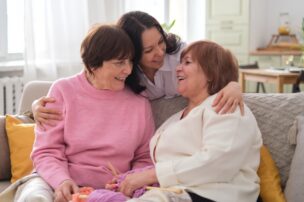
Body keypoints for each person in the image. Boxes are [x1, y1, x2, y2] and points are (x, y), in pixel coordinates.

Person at [11, 24, 154, 202]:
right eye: (119, 63)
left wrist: (129, 183)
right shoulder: (63, 91)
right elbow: (46, 151)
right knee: (34, 198)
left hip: (114, 191)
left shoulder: (139, 102)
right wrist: (62, 181)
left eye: (130, 61)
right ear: (93, 64)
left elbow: (145, 157)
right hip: (57, 181)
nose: (128, 70)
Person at [107, 41, 262, 202]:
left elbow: (218, 163)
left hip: (220, 194)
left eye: (187, 62)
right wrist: (131, 178)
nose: (178, 68)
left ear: (211, 73)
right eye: (180, 62)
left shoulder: (226, 105)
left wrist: (148, 176)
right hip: (176, 193)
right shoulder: (176, 118)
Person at [31, 11, 244, 127]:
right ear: (131, 52)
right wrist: (33, 107)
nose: (160, 53)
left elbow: (220, 63)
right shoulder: (123, 74)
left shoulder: (180, 55)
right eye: (149, 50)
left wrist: (234, 85)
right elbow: (85, 86)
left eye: (160, 42)